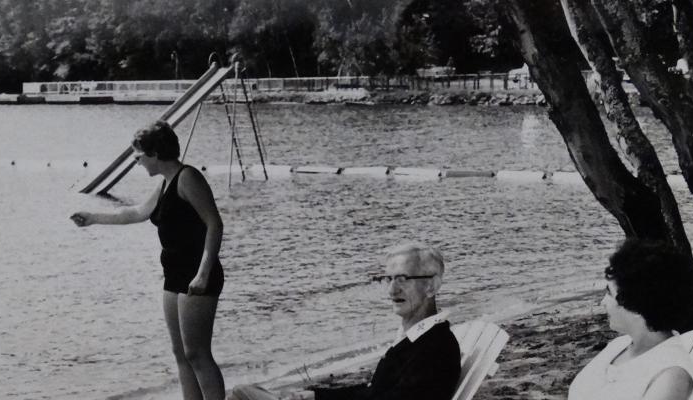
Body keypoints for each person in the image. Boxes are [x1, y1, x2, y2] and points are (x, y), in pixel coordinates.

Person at [71, 120, 227, 400]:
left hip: (197, 273)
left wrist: (203, 274)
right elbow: (136, 213)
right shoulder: (165, 184)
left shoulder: (188, 178)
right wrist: (93, 218)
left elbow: (215, 225)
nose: (137, 161)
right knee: (180, 353)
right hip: (174, 275)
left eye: (139, 156)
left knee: (197, 354)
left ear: (155, 153)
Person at [229, 243, 461, 400]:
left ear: (431, 286)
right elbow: (375, 393)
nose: (392, 289)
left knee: (242, 395)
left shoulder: (434, 349)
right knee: (245, 392)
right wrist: (316, 396)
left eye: (403, 279)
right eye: (388, 279)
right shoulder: (417, 339)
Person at [567, 239, 693, 400]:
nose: (603, 302)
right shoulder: (619, 345)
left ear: (636, 306)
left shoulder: (671, 378)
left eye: (609, 293)